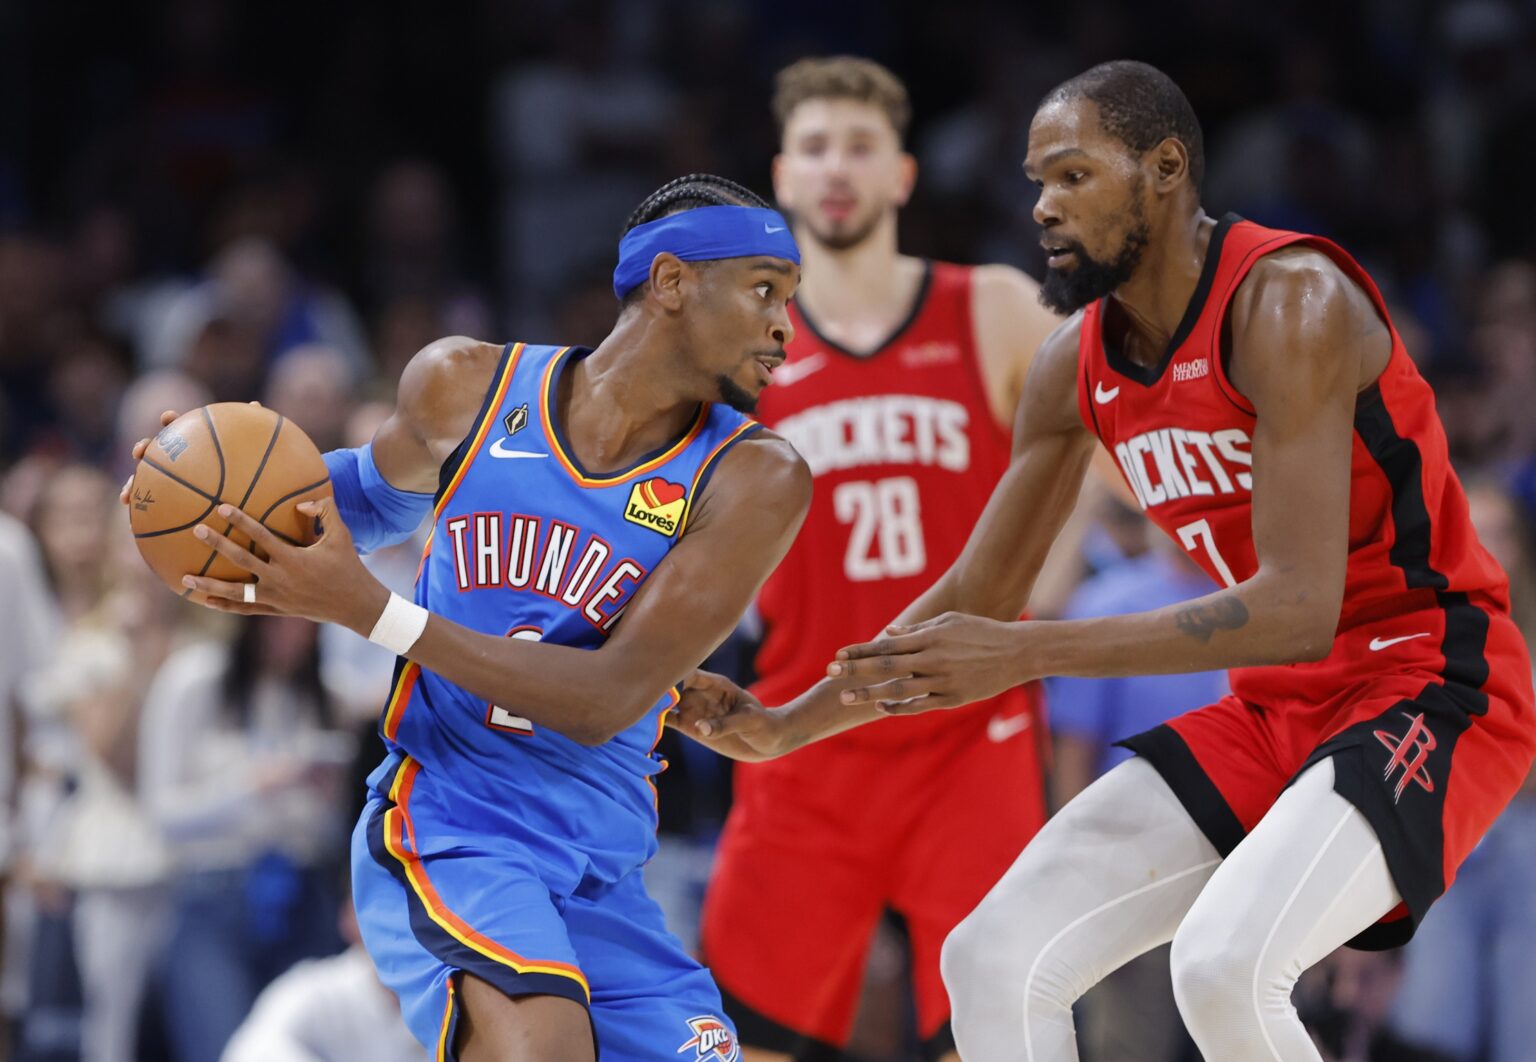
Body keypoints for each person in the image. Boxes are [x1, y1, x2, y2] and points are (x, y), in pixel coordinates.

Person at [674, 62, 1536, 1062]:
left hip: (1428, 682)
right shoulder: (1071, 363)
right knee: (991, 956)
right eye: (1036, 181)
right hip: (1275, 707)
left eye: (1072, 176)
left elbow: (1300, 606)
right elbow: (974, 599)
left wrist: (1028, 650)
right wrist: (789, 727)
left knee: (1220, 964)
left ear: (1164, 169)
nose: (1042, 206)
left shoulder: (1290, 303)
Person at [131, 174, 811, 1061]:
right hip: (454, 824)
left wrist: (375, 613)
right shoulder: (468, 387)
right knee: (546, 1048)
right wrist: (200, 492)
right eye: (765, 289)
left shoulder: (754, 478)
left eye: (790, 301)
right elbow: (348, 507)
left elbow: (606, 697)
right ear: (673, 281)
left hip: (602, 866)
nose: (784, 328)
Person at [698, 56, 1060, 1062]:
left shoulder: (990, 307)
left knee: (994, 1038)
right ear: (783, 175)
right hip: (805, 734)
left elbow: (1111, 442)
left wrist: (1053, 567)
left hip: (966, 739)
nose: (838, 168)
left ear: (903, 174)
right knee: (736, 1040)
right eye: (816, 148)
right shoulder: (740, 355)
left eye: (860, 146)